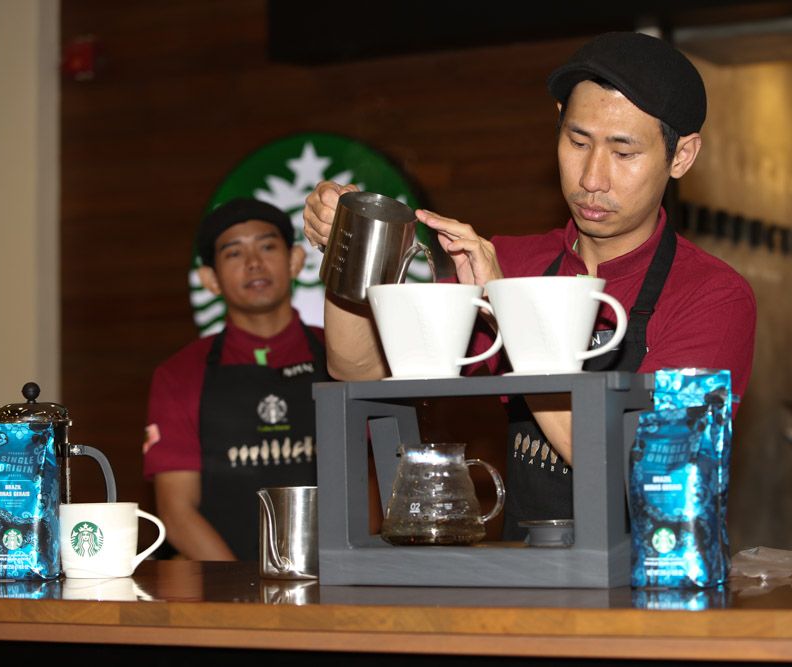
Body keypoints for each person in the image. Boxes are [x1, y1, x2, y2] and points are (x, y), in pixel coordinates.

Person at [303, 32, 756, 539]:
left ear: (682, 155)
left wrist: (509, 308)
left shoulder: (712, 297)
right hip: (527, 573)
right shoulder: (514, 262)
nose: (592, 178)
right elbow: (357, 368)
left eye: (623, 152)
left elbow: (650, 476)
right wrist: (346, 248)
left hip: (647, 577)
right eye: (577, 142)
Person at [143, 198, 329, 560]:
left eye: (267, 246)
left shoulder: (343, 359)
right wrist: (239, 587)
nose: (254, 263)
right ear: (210, 280)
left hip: (336, 579)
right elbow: (177, 512)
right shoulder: (178, 374)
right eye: (234, 253)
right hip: (222, 586)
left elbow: (370, 482)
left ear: (295, 260)